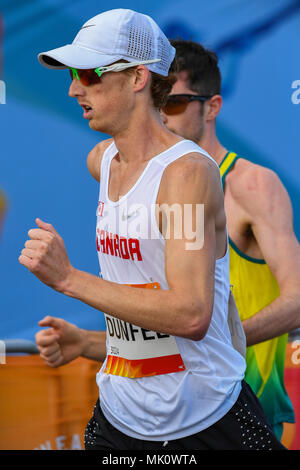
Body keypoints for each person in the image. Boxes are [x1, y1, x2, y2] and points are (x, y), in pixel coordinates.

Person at [24, 9, 285, 450]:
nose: (73, 89)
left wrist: (69, 279)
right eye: (73, 75)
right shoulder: (102, 161)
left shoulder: (187, 175)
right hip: (119, 417)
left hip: (203, 420)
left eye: (89, 74)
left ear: (138, 77)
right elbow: (143, 305)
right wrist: (88, 340)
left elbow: (190, 314)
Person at [160, 39, 300, 440]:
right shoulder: (148, 187)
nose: (161, 116)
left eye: (173, 102)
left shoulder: (251, 184)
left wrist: (224, 341)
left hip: (244, 413)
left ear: (212, 107)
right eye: (155, 104)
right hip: (167, 411)